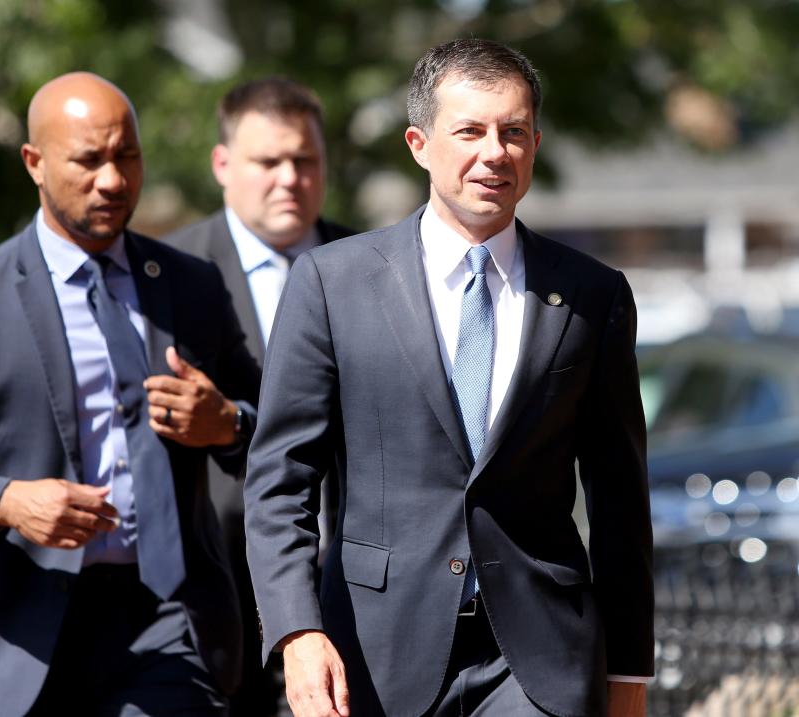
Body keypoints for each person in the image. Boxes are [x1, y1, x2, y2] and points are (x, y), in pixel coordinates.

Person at [243, 39, 654, 717]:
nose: (494, 152)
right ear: (418, 143)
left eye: (513, 132)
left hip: (538, 661)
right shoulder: (332, 282)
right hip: (373, 657)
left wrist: (629, 674)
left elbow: (619, 494)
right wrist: (296, 629)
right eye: (469, 130)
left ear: (535, 144)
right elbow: (281, 476)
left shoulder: (590, 294)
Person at [0, 72, 260, 717]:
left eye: (127, 155)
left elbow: (278, 435)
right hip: (18, 638)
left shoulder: (191, 285)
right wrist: (4, 502)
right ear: (35, 164)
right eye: (89, 161)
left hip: (170, 626)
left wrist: (228, 423)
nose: (114, 181)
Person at [163, 76, 352, 716]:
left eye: (305, 160)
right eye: (268, 162)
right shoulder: (171, 274)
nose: (289, 178)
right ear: (222, 165)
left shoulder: (372, 267)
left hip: (353, 591)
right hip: (218, 603)